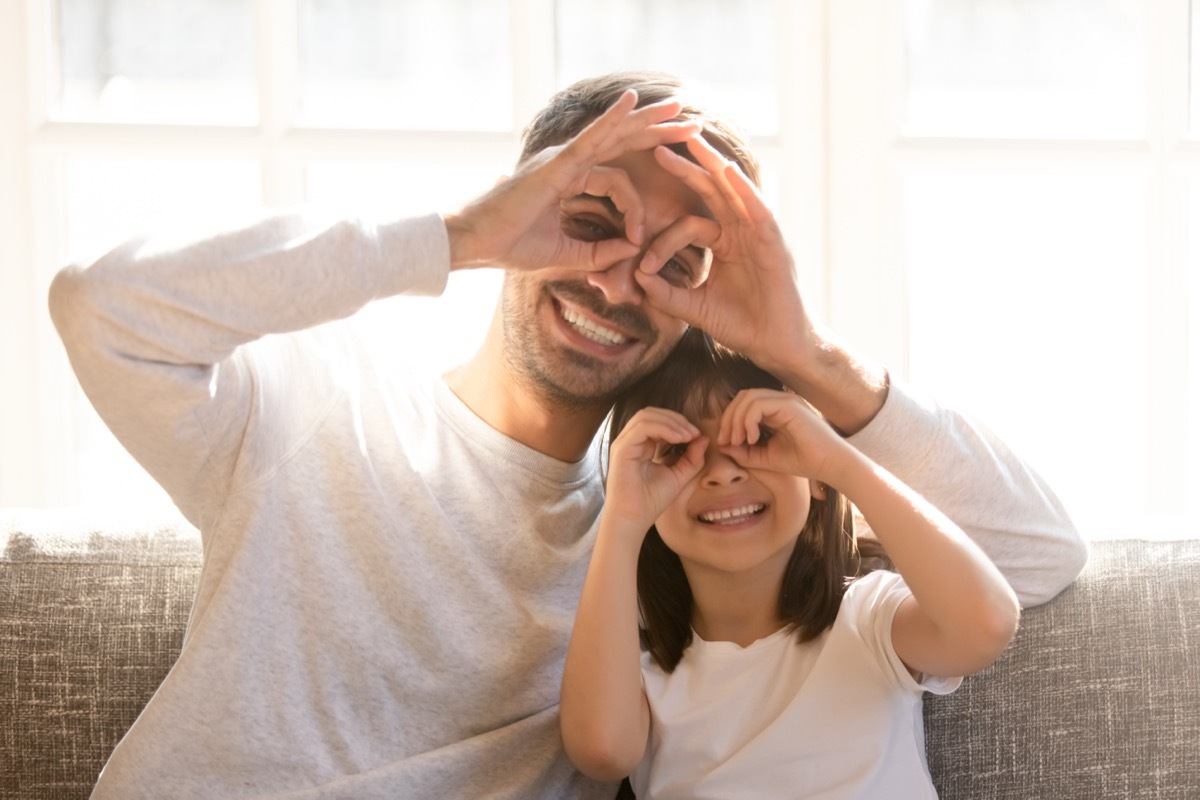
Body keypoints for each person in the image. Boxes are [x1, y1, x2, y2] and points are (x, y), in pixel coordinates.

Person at [48, 71, 1086, 799]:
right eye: (590, 218)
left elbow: (1037, 556)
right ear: (524, 197)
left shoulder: (676, 524)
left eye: (676, 263)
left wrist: (807, 351)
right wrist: (457, 237)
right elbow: (103, 307)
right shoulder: (318, 404)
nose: (614, 278)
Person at [560, 328, 1021, 798]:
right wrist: (622, 519)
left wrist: (838, 461)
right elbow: (602, 752)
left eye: (757, 437)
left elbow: (987, 624)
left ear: (815, 478)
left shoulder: (868, 619)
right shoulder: (643, 670)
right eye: (680, 451)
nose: (723, 471)